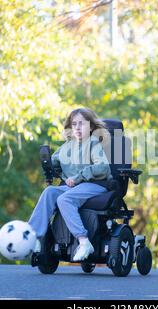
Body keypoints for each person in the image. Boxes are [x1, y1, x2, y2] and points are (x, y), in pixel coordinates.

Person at [28, 107, 112, 261]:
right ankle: (33, 237)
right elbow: (55, 162)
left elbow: (103, 167)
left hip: (95, 184)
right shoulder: (67, 146)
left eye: (82, 124)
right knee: (49, 192)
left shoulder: (93, 143)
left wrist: (79, 177)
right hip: (73, 186)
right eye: (74, 124)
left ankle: (84, 242)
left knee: (64, 199)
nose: (78, 128)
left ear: (91, 127)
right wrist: (49, 167)